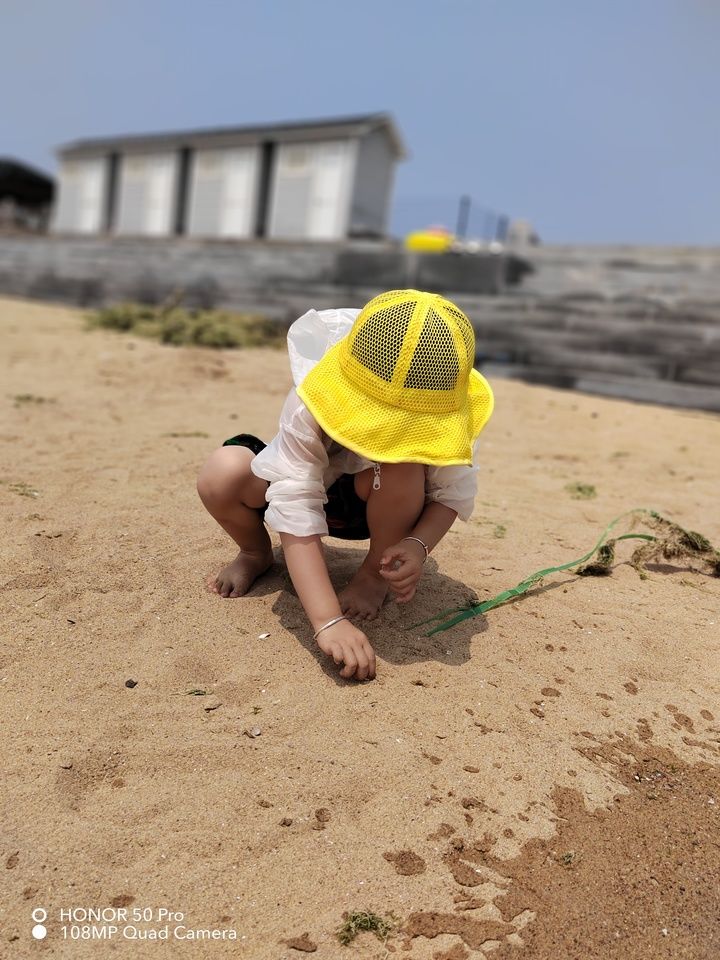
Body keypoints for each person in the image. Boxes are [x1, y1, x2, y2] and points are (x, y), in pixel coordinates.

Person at [197, 289, 494, 681]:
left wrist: (418, 545)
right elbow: (296, 498)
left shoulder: (447, 420)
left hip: (377, 510)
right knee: (223, 470)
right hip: (307, 488)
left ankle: (372, 574)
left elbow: (451, 494)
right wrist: (327, 621)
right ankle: (255, 553)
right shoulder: (311, 398)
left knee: (402, 465)